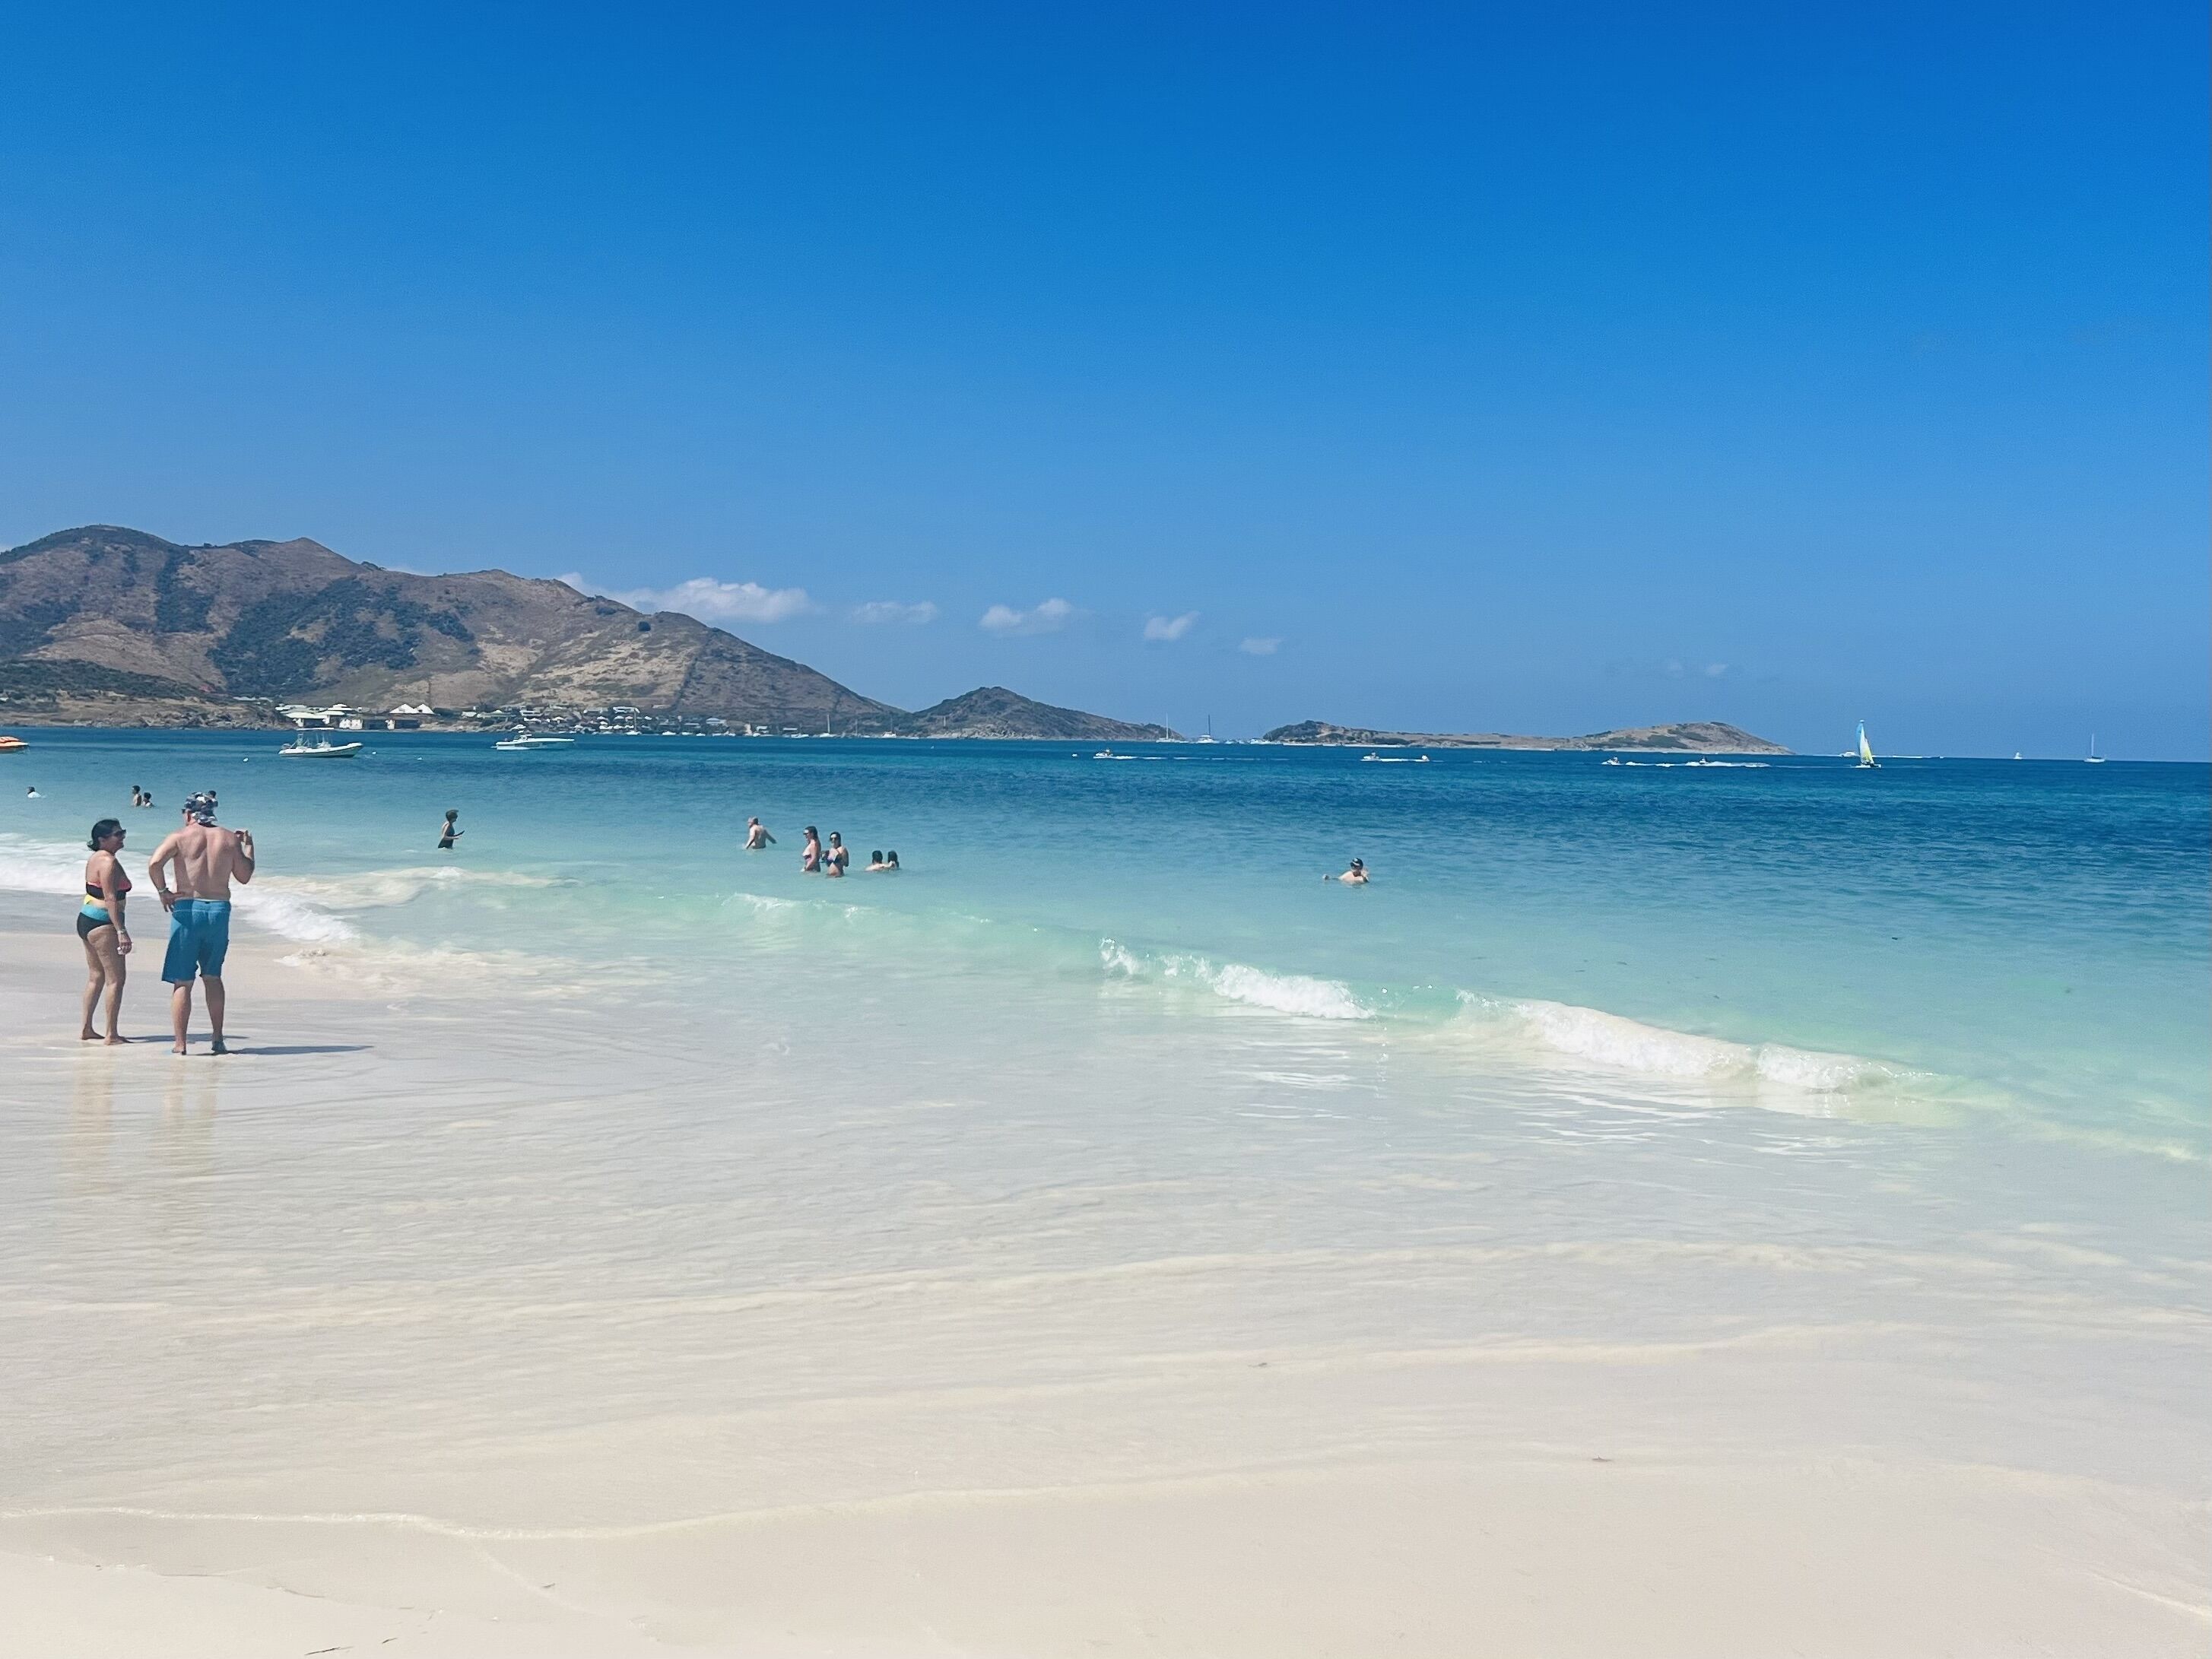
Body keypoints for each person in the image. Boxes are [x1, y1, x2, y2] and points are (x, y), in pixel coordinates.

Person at [147, 791, 255, 1055]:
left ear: (188, 814)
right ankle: (218, 1039)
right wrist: (249, 846)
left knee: (182, 981)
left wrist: (163, 892)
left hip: (187, 909)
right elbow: (244, 877)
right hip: (218, 910)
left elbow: (154, 864)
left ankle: (181, 1044)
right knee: (212, 976)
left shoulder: (179, 837)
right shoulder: (229, 838)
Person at [78, 818, 133, 1045]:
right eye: (117, 834)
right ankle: (111, 1034)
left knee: (96, 976)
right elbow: (110, 898)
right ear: (102, 839)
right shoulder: (108, 863)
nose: (122, 838)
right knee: (116, 979)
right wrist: (121, 931)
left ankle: (87, 1028)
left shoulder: (95, 859)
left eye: (123, 832)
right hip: (104, 924)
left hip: (87, 919)